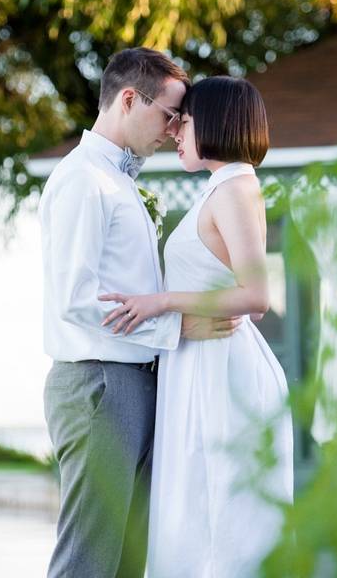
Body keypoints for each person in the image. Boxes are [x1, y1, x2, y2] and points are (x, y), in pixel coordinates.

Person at [39, 49, 241, 578]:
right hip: (100, 385)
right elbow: (76, 300)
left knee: (130, 559)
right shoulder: (84, 180)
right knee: (89, 557)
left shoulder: (120, 181)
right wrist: (177, 324)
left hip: (134, 380)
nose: (175, 129)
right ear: (130, 99)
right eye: (170, 115)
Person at [100, 76, 295, 577]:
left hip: (220, 373)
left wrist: (161, 301)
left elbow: (256, 298)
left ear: (213, 122)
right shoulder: (225, 186)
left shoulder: (233, 187)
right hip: (203, 366)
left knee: (216, 519)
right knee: (194, 515)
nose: (174, 133)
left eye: (182, 122)